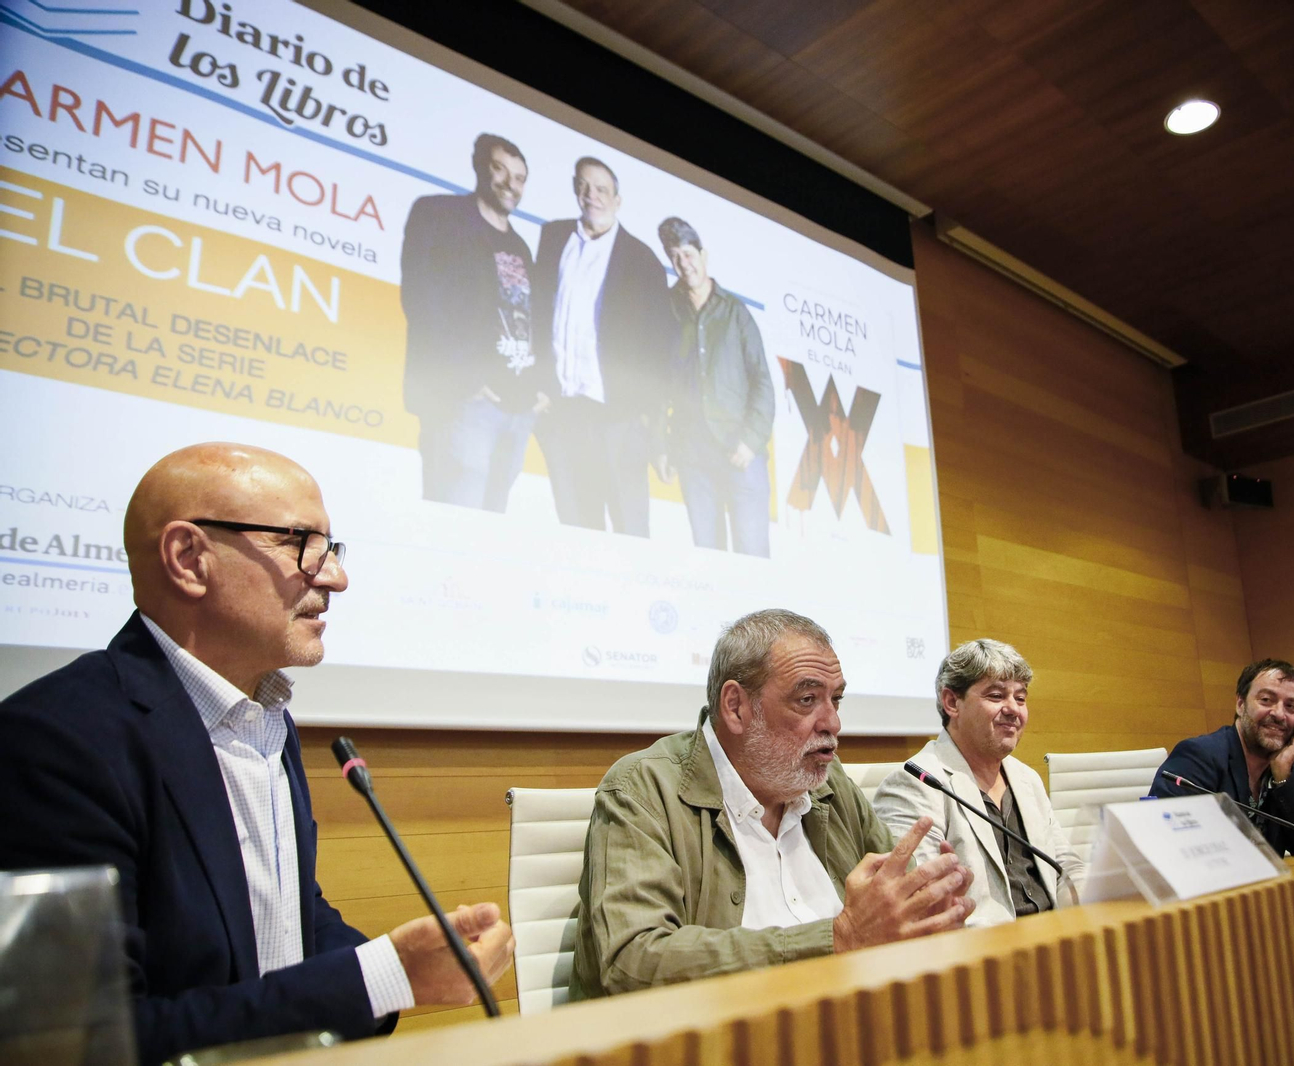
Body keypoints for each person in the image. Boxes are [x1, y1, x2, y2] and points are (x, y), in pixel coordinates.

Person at [0, 444, 515, 1066]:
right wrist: (379, 977)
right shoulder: (57, 740)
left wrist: (411, 962)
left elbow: (293, 919)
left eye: (332, 549)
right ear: (190, 559)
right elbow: (82, 1040)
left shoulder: (266, 718)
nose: (335, 576)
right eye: (301, 543)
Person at [570, 609, 975, 999]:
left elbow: (891, 912)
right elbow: (632, 961)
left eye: (836, 700)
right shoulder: (643, 790)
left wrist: (927, 915)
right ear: (736, 707)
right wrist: (837, 939)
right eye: (806, 700)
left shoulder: (829, 783)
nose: (832, 723)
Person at [873, 640, 1083, 926]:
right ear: (951, 703)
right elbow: (921, 901)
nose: (1013, 710)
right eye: (996, 696)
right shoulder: (915, 784)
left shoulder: (1027, 779)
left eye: (1020, 699)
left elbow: (1067, 867)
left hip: (1054, 940)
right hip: (983, 954)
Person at [400, 133, 548, 512]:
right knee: (454, 527)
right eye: (500, 169)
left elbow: (525, 318)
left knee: (490, 532)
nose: (509, 184)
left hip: (516, 408)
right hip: (462, 401)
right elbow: (421, 298)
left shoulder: (519, 244)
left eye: (519, 177)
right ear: (481, 166)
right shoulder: (438, 214)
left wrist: (538, 388)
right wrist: (467, 380)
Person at [529, 156, 676, 535]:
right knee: (575, 525)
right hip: (560, 412)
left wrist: (644, 414)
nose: (591, 195)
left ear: (618, 199)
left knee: (630, 527)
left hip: (617, 418)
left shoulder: (643, 261)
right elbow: (534, 314)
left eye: (602, 189)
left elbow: (661, 347)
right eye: (584, 185)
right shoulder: (553, 237)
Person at [654, 217, 775, 556]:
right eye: (675, 256)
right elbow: (658, 385)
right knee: (707, 562)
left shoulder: (736, 312)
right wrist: (660, 446)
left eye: (689, 254)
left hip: (740, 455)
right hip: (692, 457)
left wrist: (750, 442)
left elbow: (762, 382)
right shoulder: (667, 309)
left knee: (753, 562)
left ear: (703, 254)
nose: (684, 264)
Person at [1149, 658, 1294, 854]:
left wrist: (1284, 781)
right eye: (1266, 700)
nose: (1279, 714)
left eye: (1291, 707)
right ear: (1240, 704)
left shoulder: (1284, 769)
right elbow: (1166, 843)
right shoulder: (1199, 756)